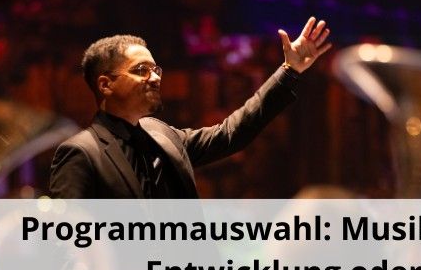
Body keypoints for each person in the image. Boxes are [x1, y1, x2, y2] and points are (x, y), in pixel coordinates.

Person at [49, 17, 331, 199]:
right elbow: (68, 245)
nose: (156, 78)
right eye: (141, 70)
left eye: (156, 69)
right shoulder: (81, 153)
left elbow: (232, 133)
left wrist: (289, 71)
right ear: (105, 84)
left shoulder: (163, 135)